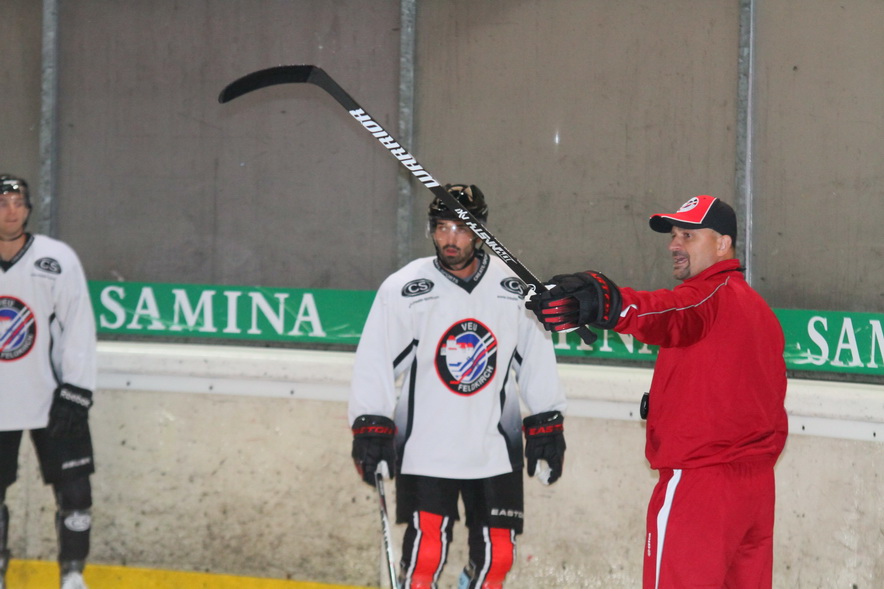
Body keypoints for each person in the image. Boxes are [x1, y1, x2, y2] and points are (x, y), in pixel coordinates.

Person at [526, 195, 788, 589]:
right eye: (673, 236)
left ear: (723, 244)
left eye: (688, 236)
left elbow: (666, 313)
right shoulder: (760, 311)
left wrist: (607, 303)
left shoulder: (707, 296)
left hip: (701, 488)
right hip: (755, 493)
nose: (674, 245)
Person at [348, 184, 567, 589]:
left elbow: (536, 357)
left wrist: (547, 421)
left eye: (462, 229)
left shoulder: (514, 287)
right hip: (426, 450)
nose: (450, 239)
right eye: (442, 227)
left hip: (495, 449)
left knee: (498, 559)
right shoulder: (404, 288)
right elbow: (375, 359)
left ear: (481, 232)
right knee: (426, 558)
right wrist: (370, 423)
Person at [0, 175, 97, 589]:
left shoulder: (57, 259)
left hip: (53, 396)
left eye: (18, 202)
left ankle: (72, 575)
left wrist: (77, 391)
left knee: (76, 493)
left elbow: (79, 325)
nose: (11, 210)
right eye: (2, 202)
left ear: (28, 208)